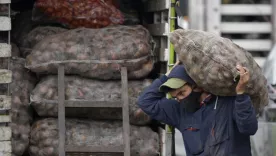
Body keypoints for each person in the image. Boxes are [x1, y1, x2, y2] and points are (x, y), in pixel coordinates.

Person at [137, 61, 258, 156]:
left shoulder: (228, 102)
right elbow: (145, 101)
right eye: (175, 96)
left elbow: (249, 128)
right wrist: (168, 76)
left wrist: (241, 93)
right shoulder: (179, 111)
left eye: (182, 93)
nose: (179, 99)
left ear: (197, 86)